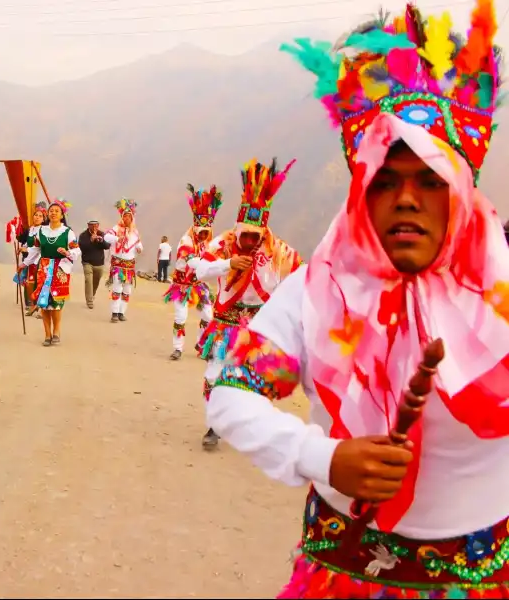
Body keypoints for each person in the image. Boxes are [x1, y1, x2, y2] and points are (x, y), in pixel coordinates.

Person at [210, 2, 509, 596]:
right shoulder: (316, 291)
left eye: (430, 179)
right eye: (385, 179)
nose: (406, 198)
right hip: (340, 570)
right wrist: (322, 456)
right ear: (360, 192)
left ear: (461, 194)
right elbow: (230, 393)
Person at [192, 158, 302, 449]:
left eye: (256, 234)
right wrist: (229, 264)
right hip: (227, 319)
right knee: (214, 372)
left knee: (255, 377)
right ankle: (213, 426)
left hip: (260, 323)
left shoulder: (277, 250)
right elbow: (200, 269)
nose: (251, 239)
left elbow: (301, 276)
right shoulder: (224, 243)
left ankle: (246, 424)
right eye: (246, 234)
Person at [165, 184, 223, 360]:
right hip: (182, 285)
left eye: (207, 232)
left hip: (198, 284)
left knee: (208, 314)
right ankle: (177, 348)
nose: (205, 235)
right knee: (181, 316)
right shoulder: (186, 240)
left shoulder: (208, 241)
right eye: (202, 232)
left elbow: (215, 254)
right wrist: (218, 265)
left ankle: (202, 345)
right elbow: (193, 262)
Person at [20, 198, 81, 346]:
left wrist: (66, 252)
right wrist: (24, 263)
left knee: (56, 303)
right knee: (44, 303)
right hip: (44, 268)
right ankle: (47, 334)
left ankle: (56, 331)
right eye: (51, 211)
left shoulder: (67, 232)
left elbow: (76, 250)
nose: (53, 213)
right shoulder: (41, 231)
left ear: (61, 215)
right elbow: (35, 250)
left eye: (56, 211)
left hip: (60, 269)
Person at [104, 198, 143, 323]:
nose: (127, 218)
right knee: (117, 288)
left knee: (127, 290)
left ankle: (121, 312)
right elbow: (106, 237)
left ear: (132, 218)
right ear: (122, 217)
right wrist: (117, 238)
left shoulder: (135, 232)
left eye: (129, 216)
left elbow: (138, 244)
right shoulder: (116, 228)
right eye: (125, 216)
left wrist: (139, 248)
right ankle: (114, 313)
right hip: (118, 265)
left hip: (129, 266)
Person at [15, 201, 47, 317]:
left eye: (40, 216)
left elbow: (39, 248)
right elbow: (27, 243)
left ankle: (43, 308)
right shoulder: (31, 229)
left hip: (41, 260)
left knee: (41, 284)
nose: (37, 217)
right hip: (31, 260)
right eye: (36, 215)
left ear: (43, 219)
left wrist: (26, 251)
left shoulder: (44, 230)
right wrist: (23, 248)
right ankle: (34, 304)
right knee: (29, 284)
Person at [78, 219, 111, 309]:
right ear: (88, 225)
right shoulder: (83, 235)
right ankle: (89, 301)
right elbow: (82, 248)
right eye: (92, 225)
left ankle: (91, 295)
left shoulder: (102, 234)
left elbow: (107, 246)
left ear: (98, 225)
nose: (94, 227)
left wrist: (101, 241)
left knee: (95, 282)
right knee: (88, 280)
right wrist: (91, 241)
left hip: (99, 263)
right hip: (87, 262)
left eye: (96, 225)